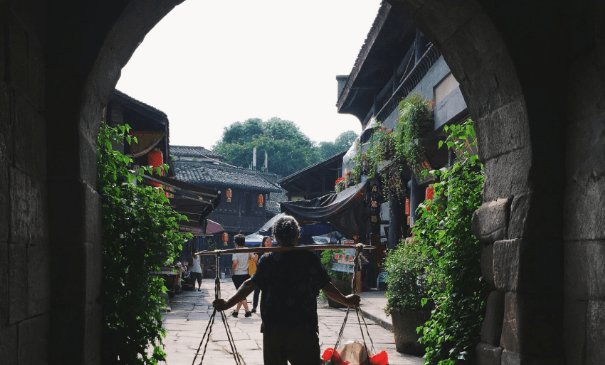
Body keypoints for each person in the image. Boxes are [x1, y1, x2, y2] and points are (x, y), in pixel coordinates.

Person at [213, 215, 360, 365]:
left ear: (275, 236)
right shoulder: (308, 259)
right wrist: (345, 300)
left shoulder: (268, 260)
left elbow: (249, 284)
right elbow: (326, 286)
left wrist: (227, 304)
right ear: (297, 235)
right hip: (303, 327)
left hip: (274, 328)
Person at [231, 234, 252, 317]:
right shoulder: (248, 250)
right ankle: (236, 311)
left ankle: (247, 311)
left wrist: (232, 272)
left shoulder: (235, 251)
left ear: (236, 243)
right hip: (246, 274)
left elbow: (235, 263)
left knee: (241, 294)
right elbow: (253, 258)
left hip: (238, 274)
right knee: (242, 293)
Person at [251, 236, 272, 313]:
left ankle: (267, 307)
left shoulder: (273, 251)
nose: (269, 243)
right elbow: (254, 261)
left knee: (267, 293)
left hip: (269, 275)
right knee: (256, 292)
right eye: (267, 241)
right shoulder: (260, 251)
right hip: (260, 274)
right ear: (264, 242)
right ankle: (254, 307)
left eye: (270, 241)